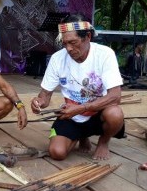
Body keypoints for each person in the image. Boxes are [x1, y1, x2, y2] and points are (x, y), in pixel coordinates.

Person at [30, 14, 125, 161]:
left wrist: (81, 108)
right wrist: (39, 102)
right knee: (57, 152)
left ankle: (103, 142)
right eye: (65, 43)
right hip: (71, 115)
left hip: (97, 113)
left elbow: (115, 96)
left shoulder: (104, 54)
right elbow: (45, 95)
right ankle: (81, 136)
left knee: (115, 114)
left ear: (87, 36)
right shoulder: (57, 58)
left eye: (73, 42)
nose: (68, 48)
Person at [0, 0, 59, 74]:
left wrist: (38, 25)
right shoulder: (6, 16)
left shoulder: (46, 3)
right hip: (23, 73)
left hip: (49, 63)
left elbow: (59, 34)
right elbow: (6, 54)